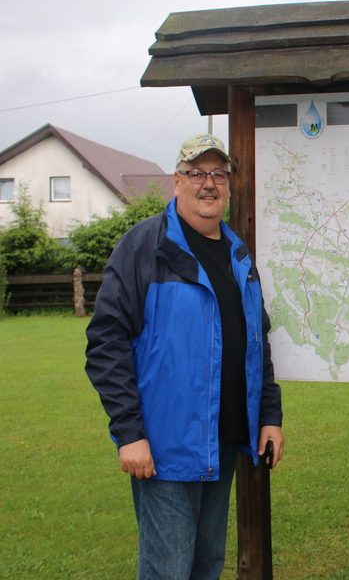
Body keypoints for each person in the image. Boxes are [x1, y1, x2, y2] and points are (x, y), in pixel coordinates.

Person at [85, 134, 284, 580]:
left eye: (218, 174)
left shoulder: (238, 254)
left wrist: (269, 415)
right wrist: (129, 433)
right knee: (169, 571)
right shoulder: (144, 247)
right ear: (176, 181)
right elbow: (105, 342)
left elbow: (256, 341)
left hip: (223, 442)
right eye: (196, 173)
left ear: (228, 184)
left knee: (206, 566)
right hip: (166, 450)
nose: (208, 183)